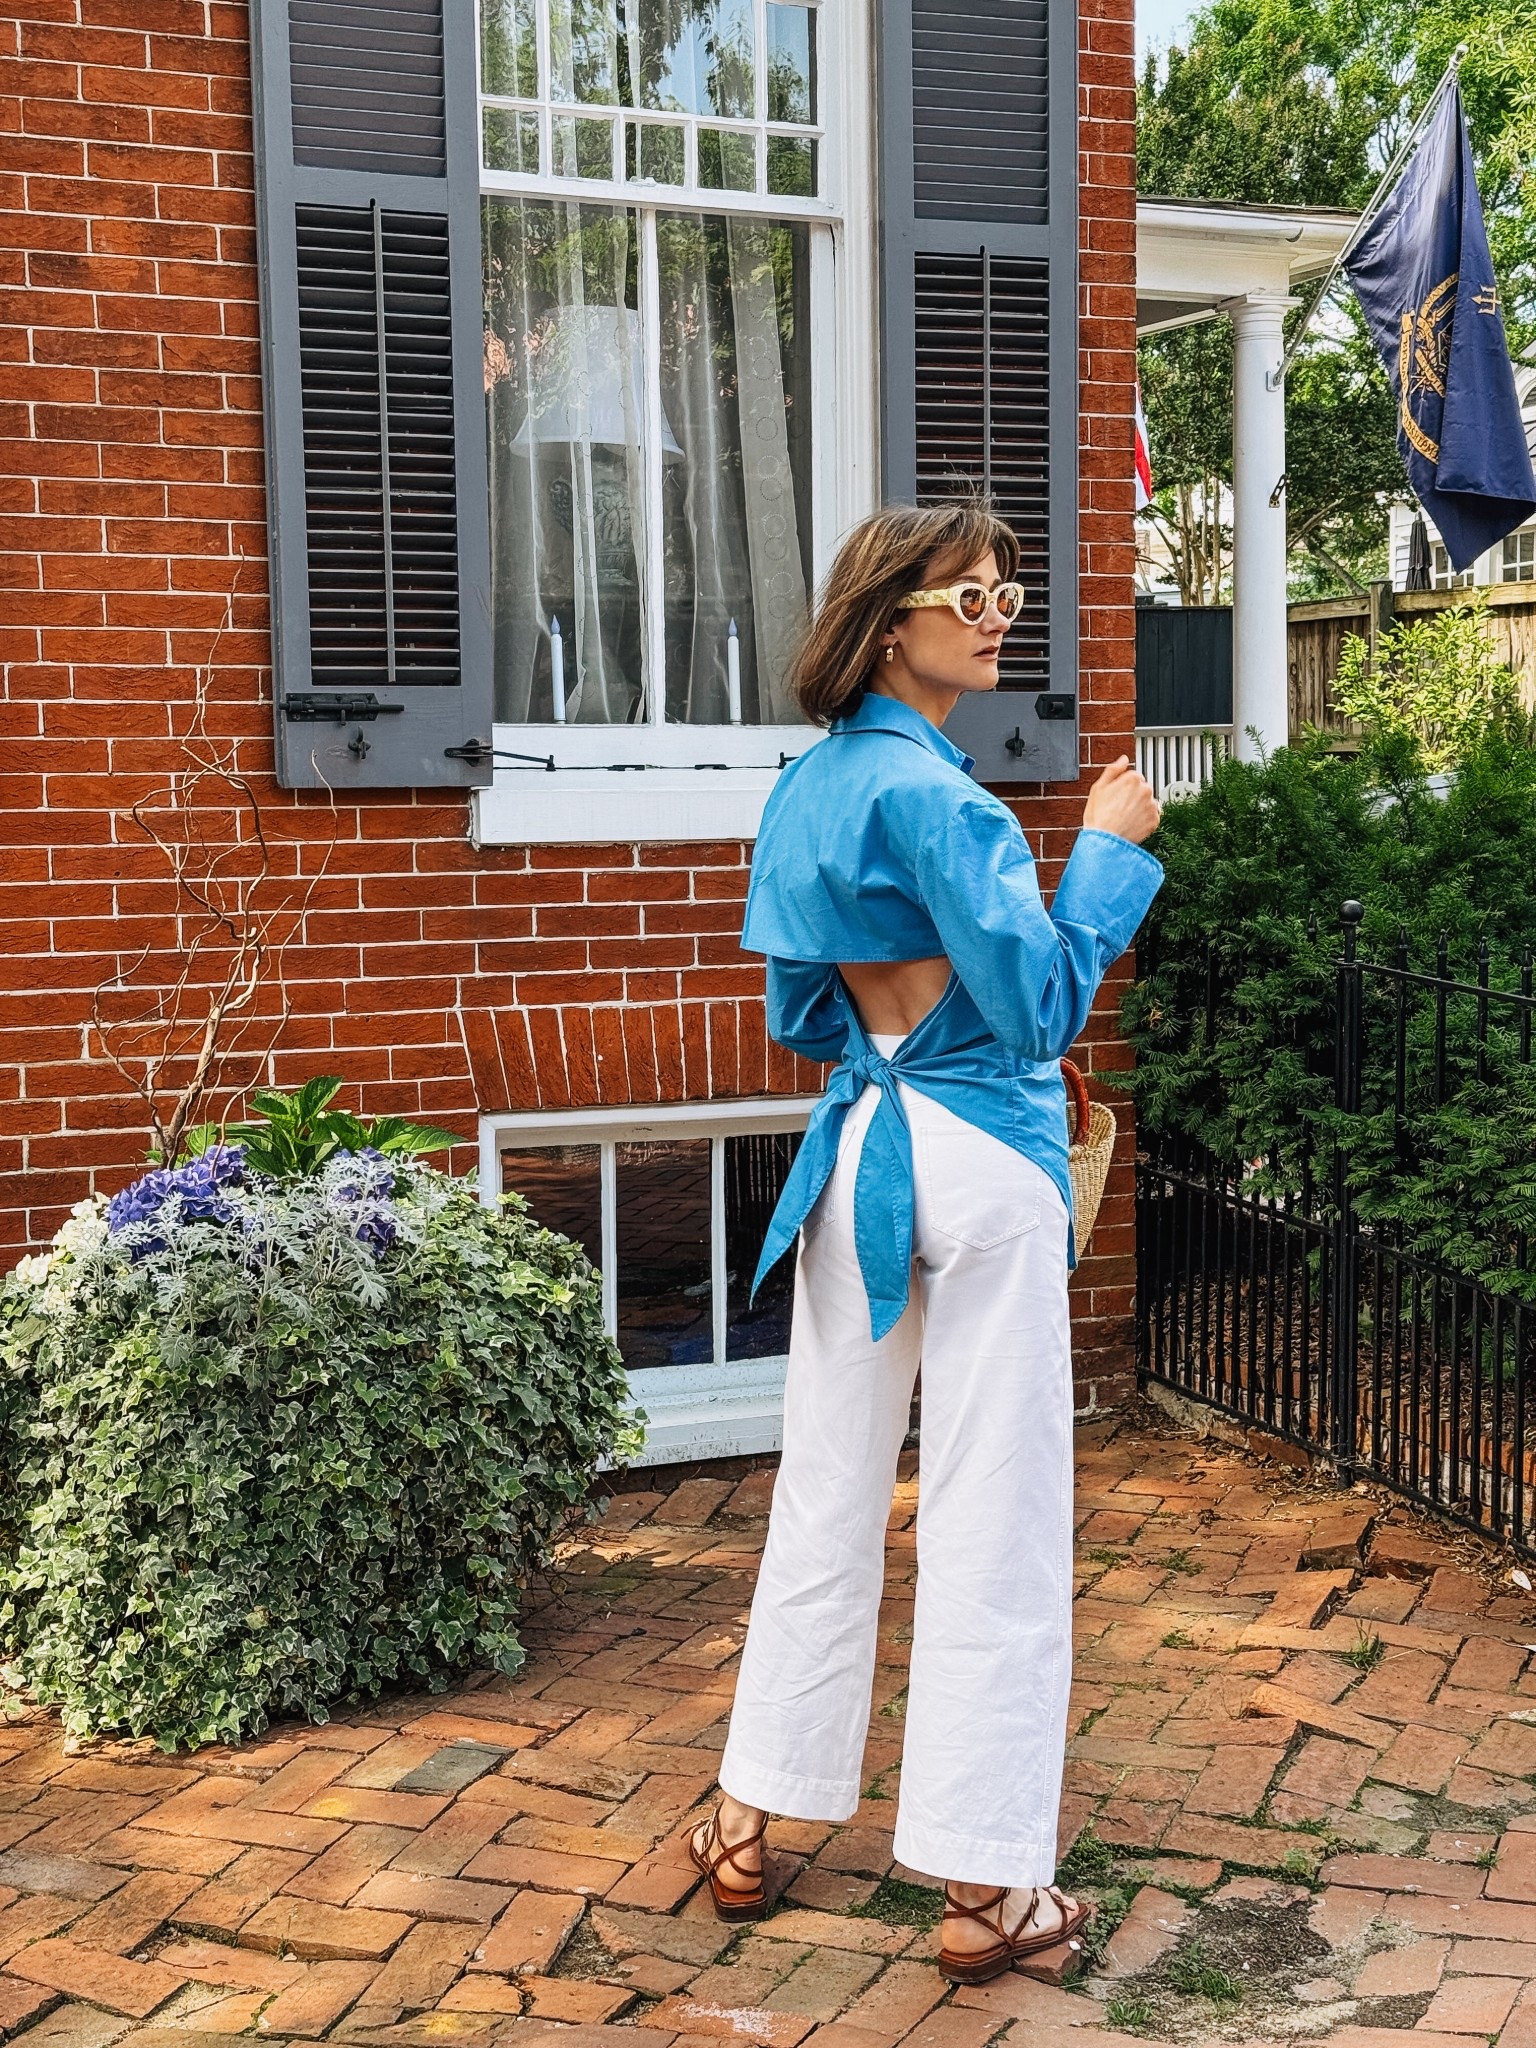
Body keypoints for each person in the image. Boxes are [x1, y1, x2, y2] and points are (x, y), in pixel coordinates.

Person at [688, 501, 1164, 1982]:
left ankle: (746, 1820)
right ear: (891, 619)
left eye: (1009, 594)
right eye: (972, 596)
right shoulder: (950, 806)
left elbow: (799, 1011)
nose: (1002, 615)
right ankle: (986, 1886)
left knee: (825, 1489)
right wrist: (1104, 856)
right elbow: (1040, 1010)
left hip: (857, 1156)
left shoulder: (806, 790)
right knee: (993, 1511)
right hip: (981, 1162)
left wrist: (891, 1043)